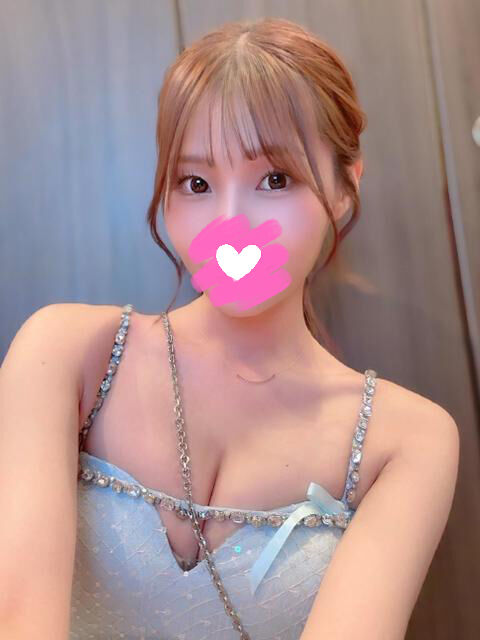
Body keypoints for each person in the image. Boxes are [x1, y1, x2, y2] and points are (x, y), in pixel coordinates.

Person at [1, 17, 459, 640]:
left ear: (344, 188)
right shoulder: (66, 354)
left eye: (275, 179)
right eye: (196, 183)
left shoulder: (406, 440)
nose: (230, 224)